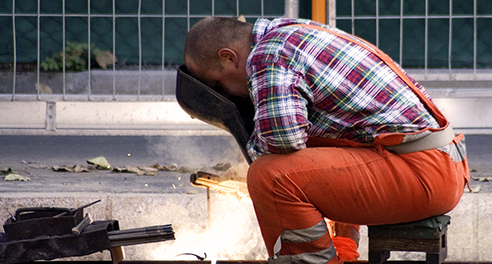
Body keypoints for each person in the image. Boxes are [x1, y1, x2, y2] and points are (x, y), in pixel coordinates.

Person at [183, 16, 470, 264]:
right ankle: (342, 254)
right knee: (316, 158)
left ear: (228, 57)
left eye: (218, 84)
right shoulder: (292, 31)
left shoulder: (269, 53)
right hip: (436, 165)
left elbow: (283, 141)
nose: (228, 94)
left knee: (271, 176)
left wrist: (248, 163)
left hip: (422, 172)